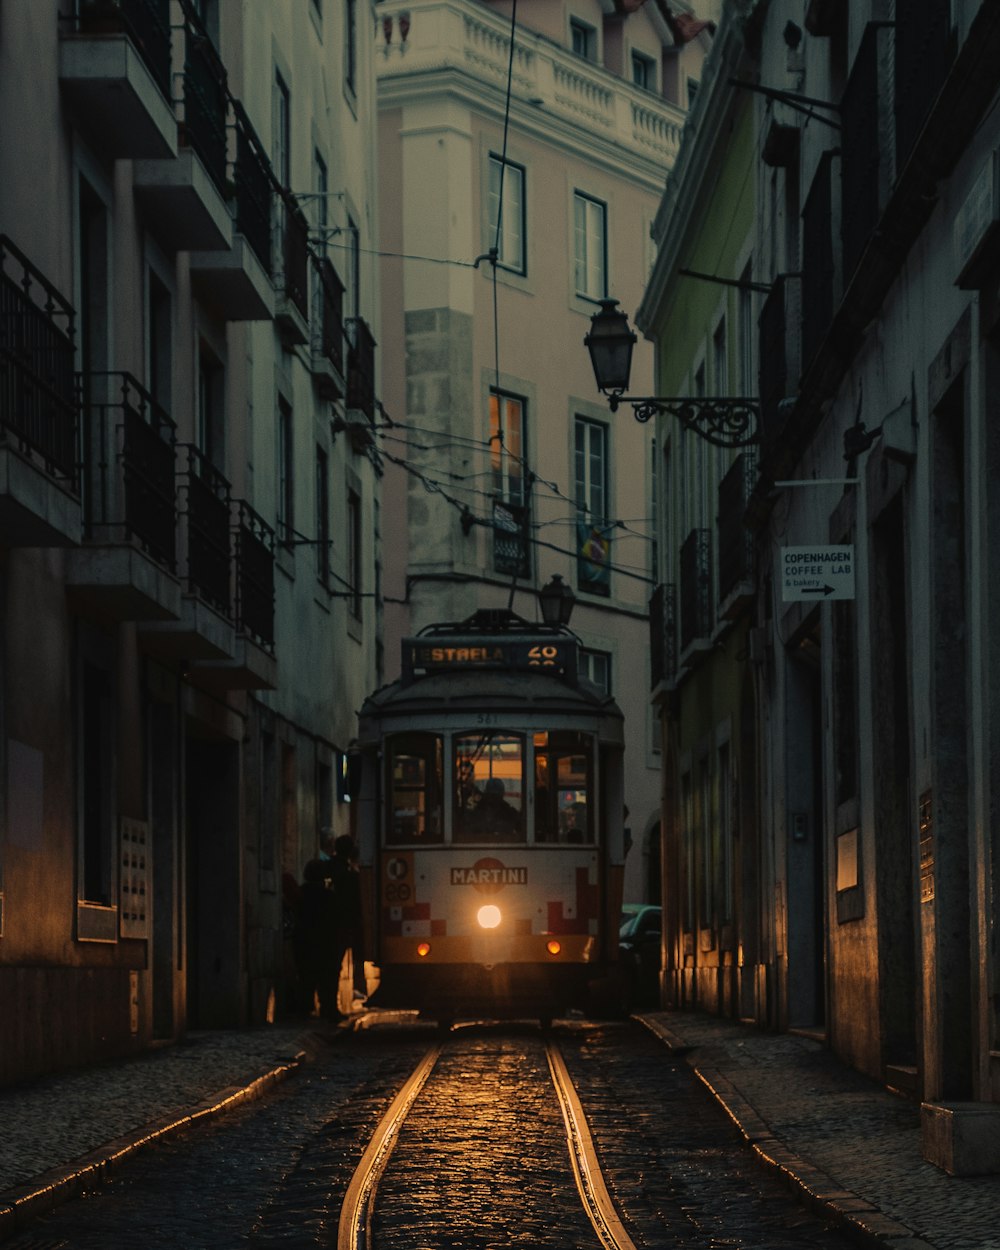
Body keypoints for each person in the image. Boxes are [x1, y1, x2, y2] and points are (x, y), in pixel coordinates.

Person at [293, 859, 341, 1021]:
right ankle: (328, 1009)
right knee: (328, 978)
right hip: (326, 944)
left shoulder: (300, 894)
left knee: (306, 977)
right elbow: (335, 922)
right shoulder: (329, 896)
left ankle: (304, 1009)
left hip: (304, 942)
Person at [330, 834, 368, 1004]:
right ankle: (335, 1001)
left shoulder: (330, 867)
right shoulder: (349, 874)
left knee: (334, 964)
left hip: (335, 922)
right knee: (342, 963)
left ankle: (332, 1001)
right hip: (345, 923)